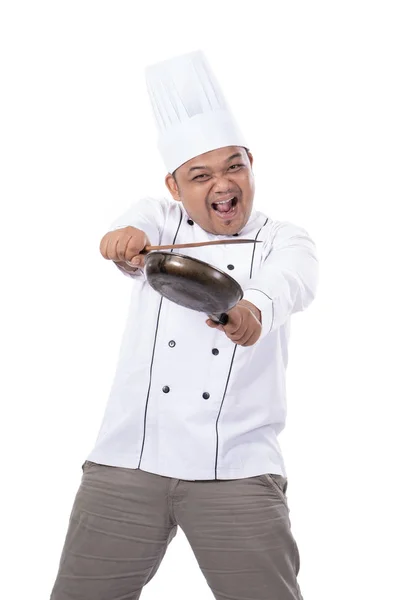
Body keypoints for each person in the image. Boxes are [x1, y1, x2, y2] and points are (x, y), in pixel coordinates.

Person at [50, 50, 318, 600]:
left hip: (237, 468)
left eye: (234, 166)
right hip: (128, 461)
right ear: (176, 187)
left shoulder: (283, 239)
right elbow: (132, 228)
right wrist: (122, 239)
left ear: (250, 164)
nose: (223, 184)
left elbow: (287, 284)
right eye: (201, 175)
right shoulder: (160, 220)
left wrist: (250, 312)